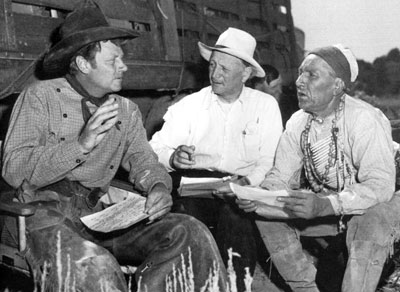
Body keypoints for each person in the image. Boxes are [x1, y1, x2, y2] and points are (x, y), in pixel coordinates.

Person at [1, 4, 227, 292]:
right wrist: (81, 144)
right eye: (113, 61)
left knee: (190, 233)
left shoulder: (126, 110)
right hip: (42, 217)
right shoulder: (39, 98)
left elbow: (143, 160)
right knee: (95, 266)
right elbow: (13, 170)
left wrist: (159, 185)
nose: (124, 66)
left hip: (100, 218)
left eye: (122, 59)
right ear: (84, 64)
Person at [235, 44, 400, 292]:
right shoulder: (299, 122)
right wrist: (259, 197)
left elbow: (379, 188)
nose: (300, 82)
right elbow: (280, 176)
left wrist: (325, 204)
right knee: (264, 214)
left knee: (369, 221)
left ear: (337, 86)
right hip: (334, 207)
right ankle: (307, 287)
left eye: (311, 75)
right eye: (301, 73)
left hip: (386, 202)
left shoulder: (364, 119)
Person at [150, 27, 283, 291]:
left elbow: (270, 159)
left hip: (242, 187)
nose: (215, 74)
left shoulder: (264, 106)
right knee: (187, 223)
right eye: (212, 65)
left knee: (236, 219)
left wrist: (246, 181)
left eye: (224, 69)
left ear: (245, 73)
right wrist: (174, 159)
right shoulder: (190, 106)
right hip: (194, 187)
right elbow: (154, 149)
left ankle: (237, 286)